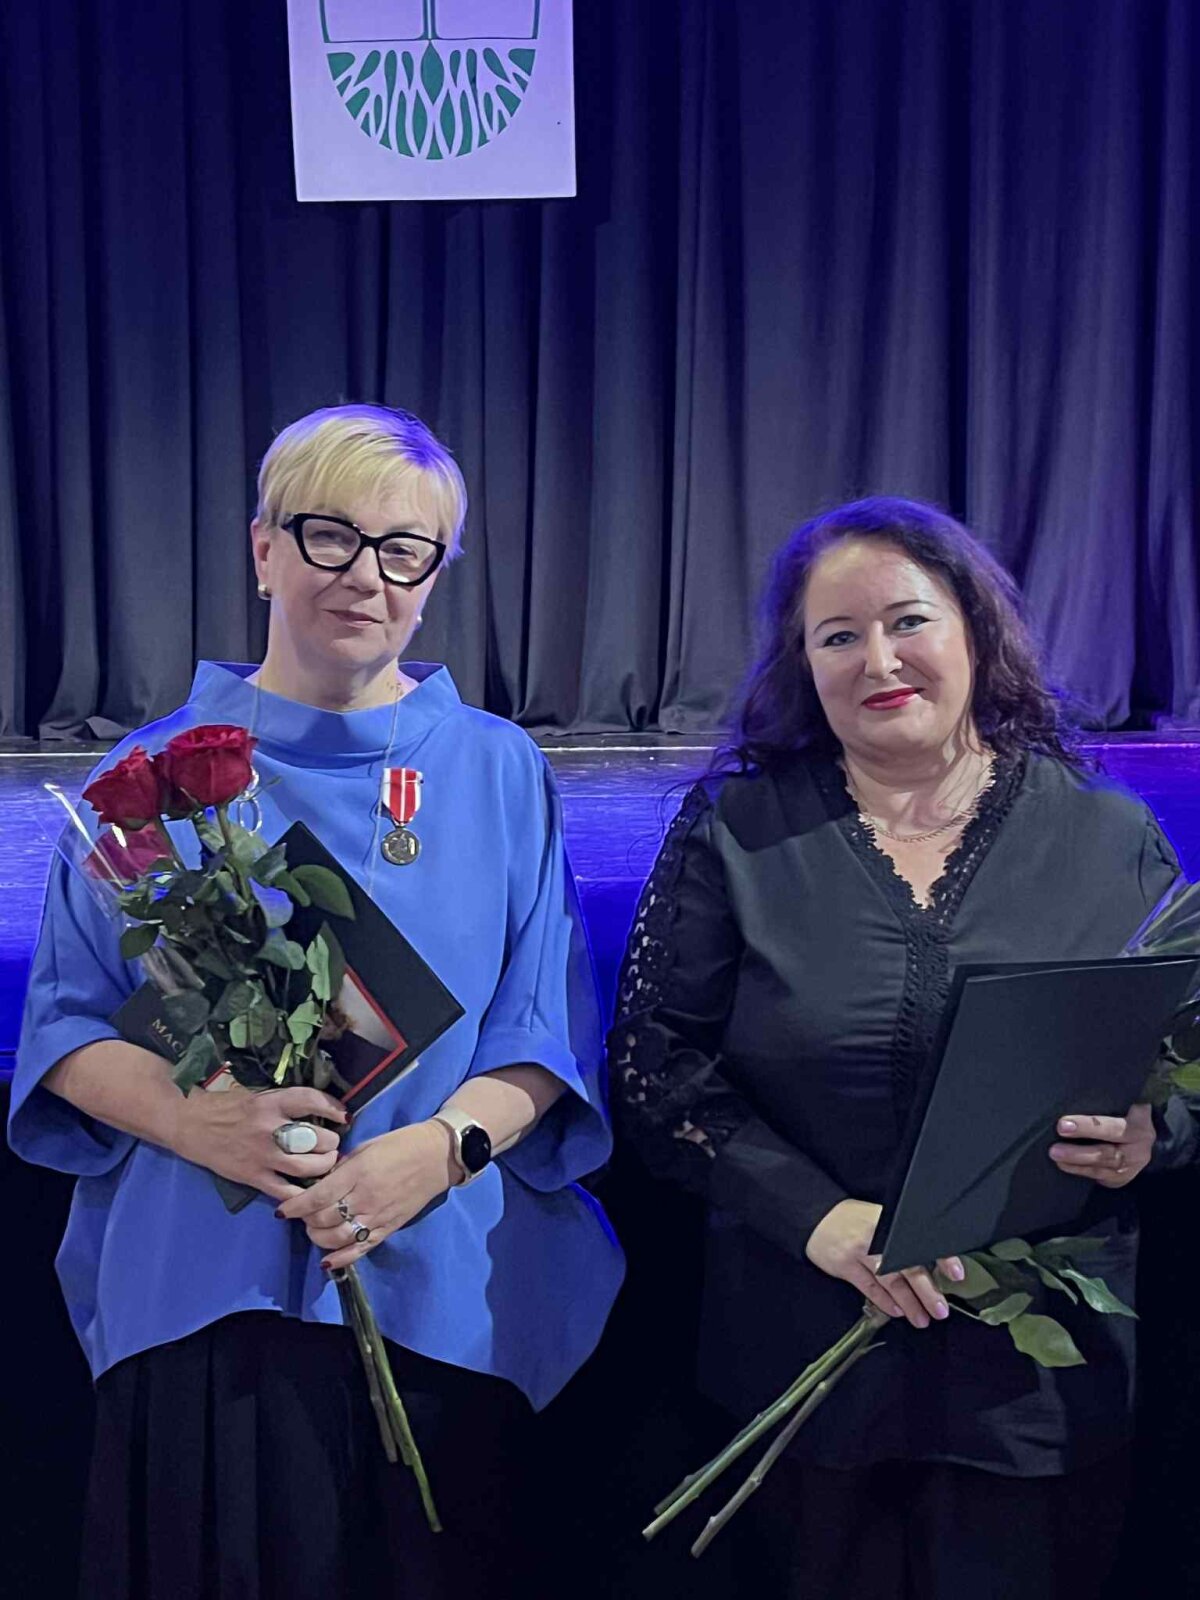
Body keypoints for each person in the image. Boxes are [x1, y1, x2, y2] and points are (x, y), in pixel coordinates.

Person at [10, 402, 624, 1600]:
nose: (366, 575)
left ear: (435, 576)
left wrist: (436, 1155)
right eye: (330, 535)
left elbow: (543, 1034)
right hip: (208, 1294)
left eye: (405, 550)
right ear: (263, 549)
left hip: (435, 1286)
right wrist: (202, 1122)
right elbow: (67, 1027)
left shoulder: (501, 770)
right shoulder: (146, 779)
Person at [610, 496, 1198, 1599]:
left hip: (1034, 1391)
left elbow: (1181, 1060)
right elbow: (656, 1071)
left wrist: (1150, 1134)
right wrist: (817, 1218)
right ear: (803, 663)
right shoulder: (739, 831)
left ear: (975, 625)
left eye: (908, 620)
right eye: (839, 636)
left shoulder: (1107, 834)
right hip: (800, 1362)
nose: (878, 660)